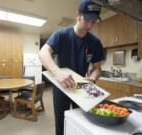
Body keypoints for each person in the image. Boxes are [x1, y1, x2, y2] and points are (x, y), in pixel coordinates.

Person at [39, 0, 104, 135]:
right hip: (61, 85)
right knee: (61, 123)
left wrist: (91, 79)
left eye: (94, 21)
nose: (90, 25)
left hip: (81, 88)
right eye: (87, 20)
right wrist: (58, 73)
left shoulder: (95, 42)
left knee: (81, 122)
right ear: (77, 15)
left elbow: (97, 68)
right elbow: (43, 53)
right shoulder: (61, 35)